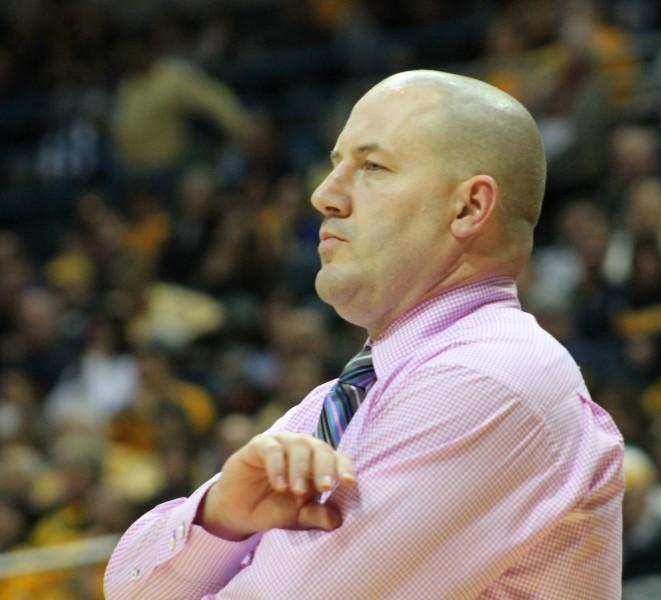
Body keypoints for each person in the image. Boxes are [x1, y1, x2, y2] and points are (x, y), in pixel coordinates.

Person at [103, 70, 624, 599]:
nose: (324, 196)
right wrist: (221, 518)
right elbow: (127, 589)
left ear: (469, 207)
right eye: (335, 166)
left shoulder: (489, 379)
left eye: (373, 167)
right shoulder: (347, 396)